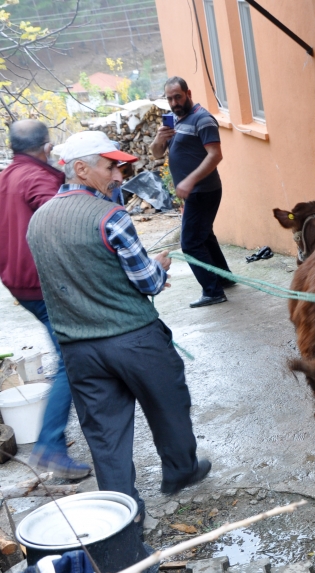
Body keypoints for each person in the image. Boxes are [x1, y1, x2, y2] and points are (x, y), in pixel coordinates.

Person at [27, 131, 212, 518]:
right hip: (135, 339)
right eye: (110, 167)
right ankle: (180, 471)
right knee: (168, 404)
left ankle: (122, 511)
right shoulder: (111, 217)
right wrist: (159, 269)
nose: (118, 176)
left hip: (78, 348)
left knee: (104, 433)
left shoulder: (38, 221)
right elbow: (147, 283)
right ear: (81, 168)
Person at [0, 120, 92, 480]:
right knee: (70, 359)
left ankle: (66, 432)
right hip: (43, 284)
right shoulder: (38, 178)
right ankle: (50, 446)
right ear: (47, 147)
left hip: (17, 282)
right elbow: (60, 218)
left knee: (74, 353)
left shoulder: (8, 176)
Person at [151, 76, 232, 308]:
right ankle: (224, 278)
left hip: (203, 190)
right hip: (195, 191)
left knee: (190, 244)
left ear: (188, 93)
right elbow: (157, 154)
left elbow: (215, 155)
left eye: (178, 96)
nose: (174, 102)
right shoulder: (174, 121)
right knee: (205, 236)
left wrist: (189, 181)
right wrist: (159, 139)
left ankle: (212, 291)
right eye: (169, 99)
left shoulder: (202, 119)